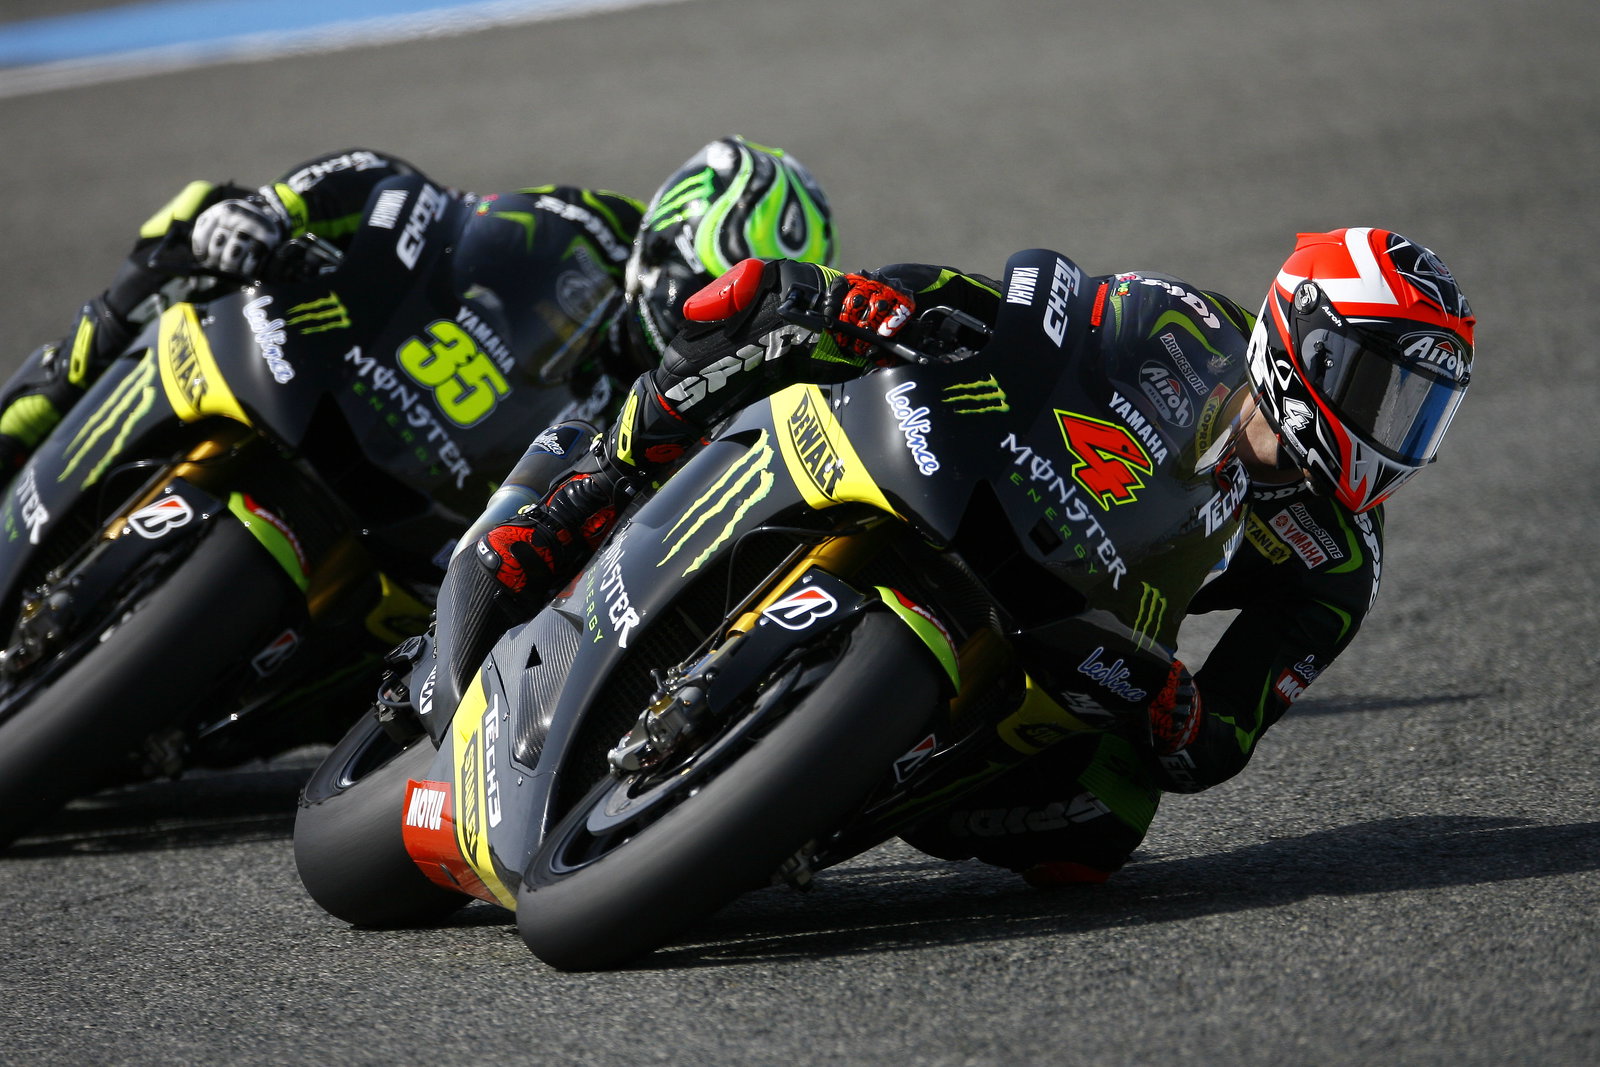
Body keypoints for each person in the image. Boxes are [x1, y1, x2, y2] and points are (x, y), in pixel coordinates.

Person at [461, 227, 1477, 888]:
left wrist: (1183, 717)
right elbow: (1016, 315)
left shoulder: (1337, 565)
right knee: (781, 309)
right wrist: (884, 306)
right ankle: (582, 490)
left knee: (1101, 826)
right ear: (1308, 342)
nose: (1397, 431)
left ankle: (828, 798)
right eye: (1383, 389)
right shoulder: (1183, 322)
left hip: (1082, 623)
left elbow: (1227, 732)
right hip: (996, 481)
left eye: (1421, 414)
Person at [0, 136, 838, 502]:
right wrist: (277, 212)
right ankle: (39, 404)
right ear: (664, 235)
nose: (695, 309)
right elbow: (417, 203)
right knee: (199, 217)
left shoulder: (711, 389)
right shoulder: (577, 225)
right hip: (349, 381)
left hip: (437, 532)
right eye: (693, 279)